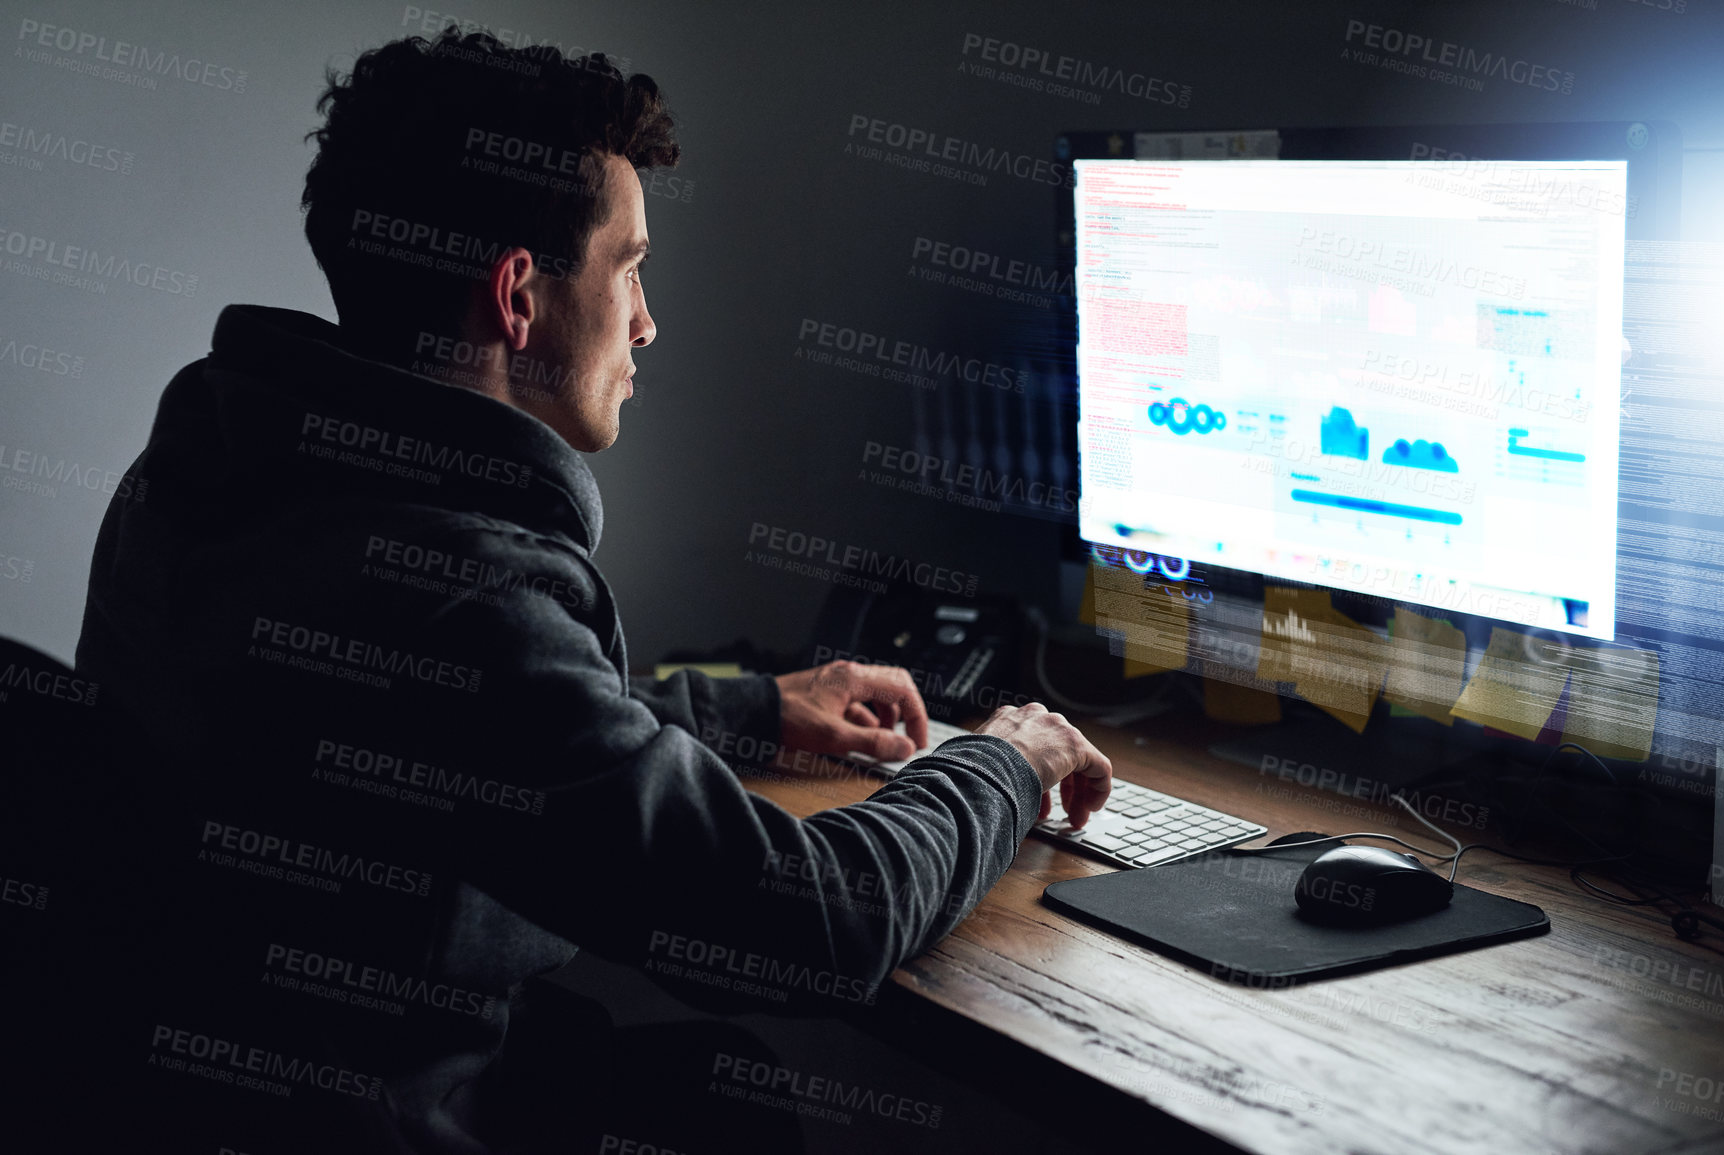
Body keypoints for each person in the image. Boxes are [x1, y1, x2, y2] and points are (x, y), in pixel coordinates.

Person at [73, 26, 1113, 1153]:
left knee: (711, 1084)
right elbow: (815, 920)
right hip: (386, 1115)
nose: (648, 320)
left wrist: (757, 707)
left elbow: (500, 735)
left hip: (221, 1086)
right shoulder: (459, 591)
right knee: (731, 1104)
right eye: (630, 267)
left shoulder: (219, 467)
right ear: (519, 296)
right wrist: (1002, 761)